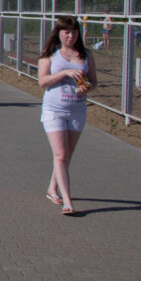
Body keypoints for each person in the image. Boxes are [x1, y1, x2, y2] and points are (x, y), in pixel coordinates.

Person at [38, 16, 96, 215]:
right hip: (54, 109)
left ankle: (52, 188)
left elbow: (94, 81)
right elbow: (43, 82)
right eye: (66, 32)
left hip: (77, 109)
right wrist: (65, 73)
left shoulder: (85, 55)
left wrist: (86, 87)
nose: (71, 36)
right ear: (59, 33)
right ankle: (68, 202)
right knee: (61, 154)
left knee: (66, 155)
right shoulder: (50, 54)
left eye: (74, 32)